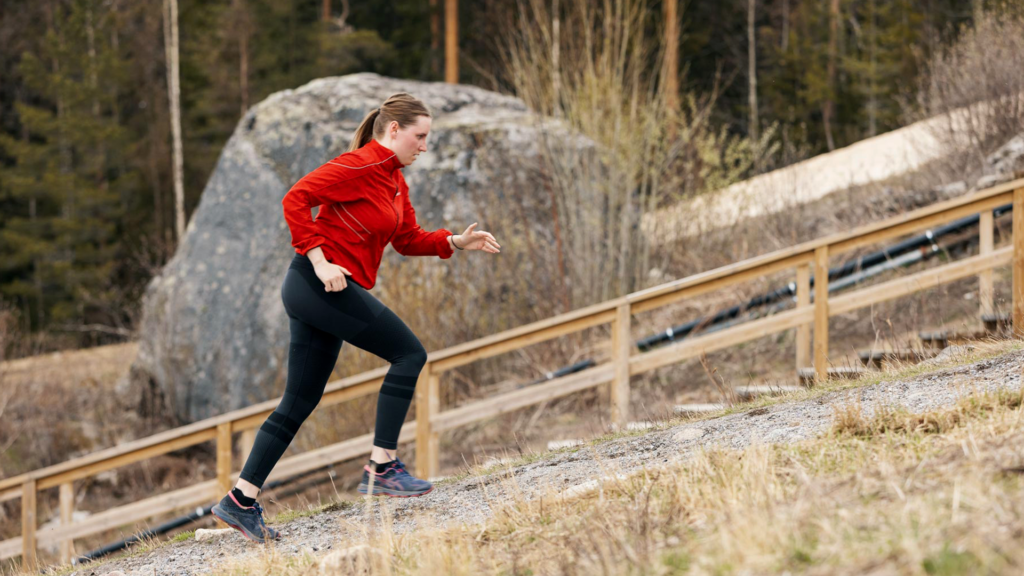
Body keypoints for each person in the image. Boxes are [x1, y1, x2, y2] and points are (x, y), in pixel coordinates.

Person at [211, 92, 501, 543]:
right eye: (419, 136)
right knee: (409, 353)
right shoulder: (359, 165)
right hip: (316, 283)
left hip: (325, 292)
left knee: (299, 402)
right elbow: (295, 198)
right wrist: (321, 260)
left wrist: (455, 242)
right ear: (393, 131)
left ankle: (240, 501)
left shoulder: (395, 182)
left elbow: (407, 238)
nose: (424, 146)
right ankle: (382, 465)